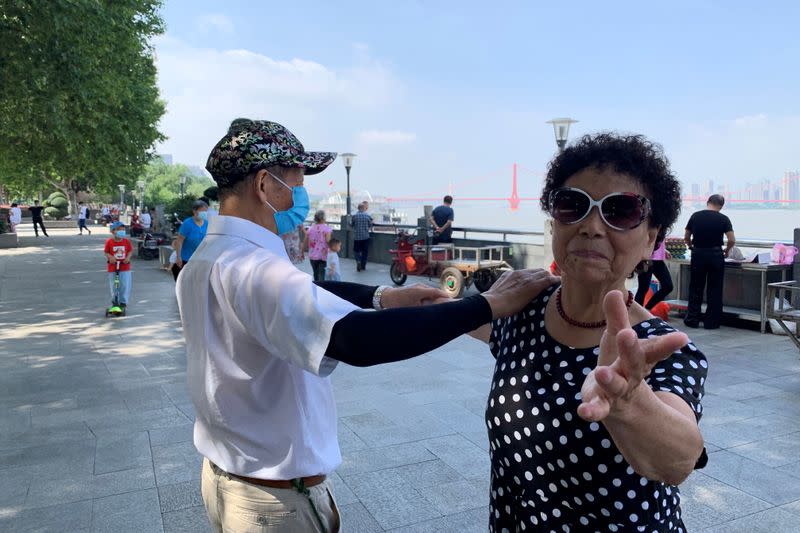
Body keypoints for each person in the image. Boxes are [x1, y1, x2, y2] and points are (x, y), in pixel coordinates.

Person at [178, 118, 555, 533]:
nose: (301, 192)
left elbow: (305, 293)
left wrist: (384, 297)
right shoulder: (253, 268)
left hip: (228, 479)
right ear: (265, 185)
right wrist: (487, 305)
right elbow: (357, 340)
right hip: (273, 504)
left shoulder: (210, 258)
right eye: (297, 179)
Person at [472, 133, 707, 531]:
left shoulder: (661, 350)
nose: (591, 226)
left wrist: (631, 403)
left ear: (651, 238)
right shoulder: (521, 314)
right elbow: (436, 316)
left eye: (621, 211)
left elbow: (678, 460)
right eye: (572, 206)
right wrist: (380, 299)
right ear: (554, 224)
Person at [683, 194, 735, 329]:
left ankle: (692, 320)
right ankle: (712, 322)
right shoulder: (724, 219)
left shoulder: (695, 216)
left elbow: (686, 236)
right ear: (721, 206)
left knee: (695, 287)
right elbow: (732, 239)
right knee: (715, 289)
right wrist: (727, 250)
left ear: (708, 202)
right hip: (716, 255)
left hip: (698, 254)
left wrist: (690, 246)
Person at [634, 239, 674, 310]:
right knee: (643, 289)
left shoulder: (661, 228)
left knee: (668, 286)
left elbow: (658, 239)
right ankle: (636, 314)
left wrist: (663, 250)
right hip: (647, 258)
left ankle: (647, 309)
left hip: (658, 259)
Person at [173, 200, 209, 277]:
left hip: (201, 259)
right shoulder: (187, 223)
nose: (204, 213)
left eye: (206, 211)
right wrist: (178, 257)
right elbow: (179, 241)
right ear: (194, 211)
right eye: (202, 211)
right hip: (187, 259)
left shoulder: (206, 223)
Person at [103, 222, 133, 310]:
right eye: (119, 230)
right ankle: (115, 302)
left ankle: (123, 302)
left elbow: (130, 251)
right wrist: (110, 257)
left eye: (123, 230)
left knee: (124, 285)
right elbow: (106, 252)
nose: (122, 232)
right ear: (113, 231)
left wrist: (128, 257)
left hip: (124, 267)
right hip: (113, 267)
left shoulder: (126, 241)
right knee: (114, 285)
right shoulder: (109, 242)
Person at [306, 209, 332, 282]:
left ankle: (316, 287)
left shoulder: (310, 228)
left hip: (312, 255)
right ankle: (322, 289)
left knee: (316, 273)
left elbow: (306, 240)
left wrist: (302, 251)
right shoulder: (327, 229)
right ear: (323, 218)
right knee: (322, 274)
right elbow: (328, 241)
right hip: (323, 255)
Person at [350, 202, 373, 271]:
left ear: (358, 208)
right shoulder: (367, 216)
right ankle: (363, 266)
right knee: (365, 252)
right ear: (364, 208)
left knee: (356, 251)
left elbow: (352, 225)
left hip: (357, 237)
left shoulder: (354, 216)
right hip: (366, 237)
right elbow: (370, 225)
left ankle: (358, 261)